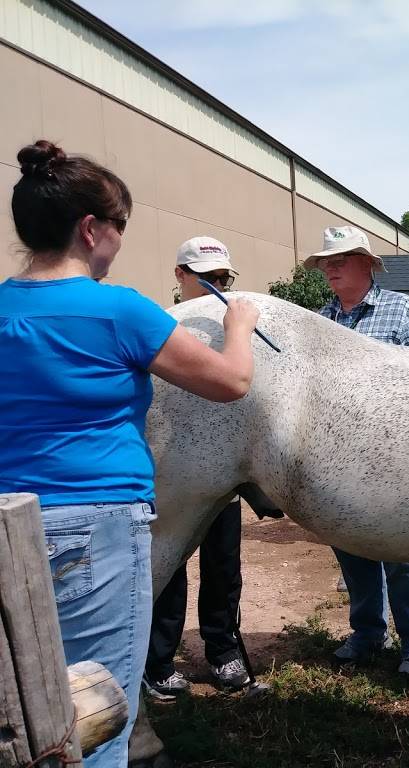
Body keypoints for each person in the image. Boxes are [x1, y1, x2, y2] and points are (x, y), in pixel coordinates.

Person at [0, 140, 260, 767]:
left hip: (10, 522)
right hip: (97, 528)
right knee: (96, 711)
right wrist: (240, 327)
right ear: (91, 230)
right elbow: (231, 383)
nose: (119, 243)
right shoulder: (119, 310)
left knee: (20, 701)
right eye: (119, 228)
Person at [143, 238, 274, 699]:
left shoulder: (232, 331)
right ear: (180, 275)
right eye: (206, 277)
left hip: (226, 474)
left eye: (223, 279)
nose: (216, 286)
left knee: (223, 565)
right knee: (170, 562)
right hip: (173, 473)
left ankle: (222, 651)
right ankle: (158, 660)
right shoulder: (158, 327)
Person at [308, 225, 409, 676]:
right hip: (339, 460)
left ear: (368, 264)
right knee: (352, 550)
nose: (331, 267)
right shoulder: (319, 320)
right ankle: (367, 633)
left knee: (403, 555)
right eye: (327, 261)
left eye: (341, 258)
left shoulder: (400, 310)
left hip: (395, 457)